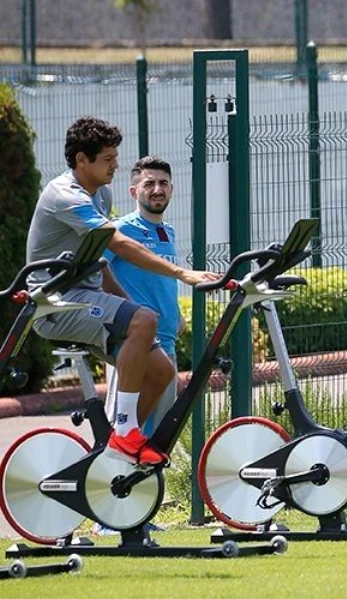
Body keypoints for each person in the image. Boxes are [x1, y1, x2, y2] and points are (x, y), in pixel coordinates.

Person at [26, 118, 219, 465]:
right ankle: (127, 429)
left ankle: (117, 454)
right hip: (56, 305)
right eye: (108, 158)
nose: (116, 164)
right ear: (82, 160)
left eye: (116, 156)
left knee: (161, 372)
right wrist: (181, 274)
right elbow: (117, 244)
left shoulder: (101, 193)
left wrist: (132, 313)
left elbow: (99, 262)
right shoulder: (64, 194)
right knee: (143, 321)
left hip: (86, 299)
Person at [103, 157, 183, 437]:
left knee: (157, 439)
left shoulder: (168, 231)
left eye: (163, 183)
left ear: (171, 190)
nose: (157, 189)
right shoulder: (120, 229)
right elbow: (96, 270)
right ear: (134, 191)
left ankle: (144, 482)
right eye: (149, 183)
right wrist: (127, 307)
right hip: (135, 344)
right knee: (123, 433)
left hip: (167, 343)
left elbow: (162, 278)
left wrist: (177, 315)